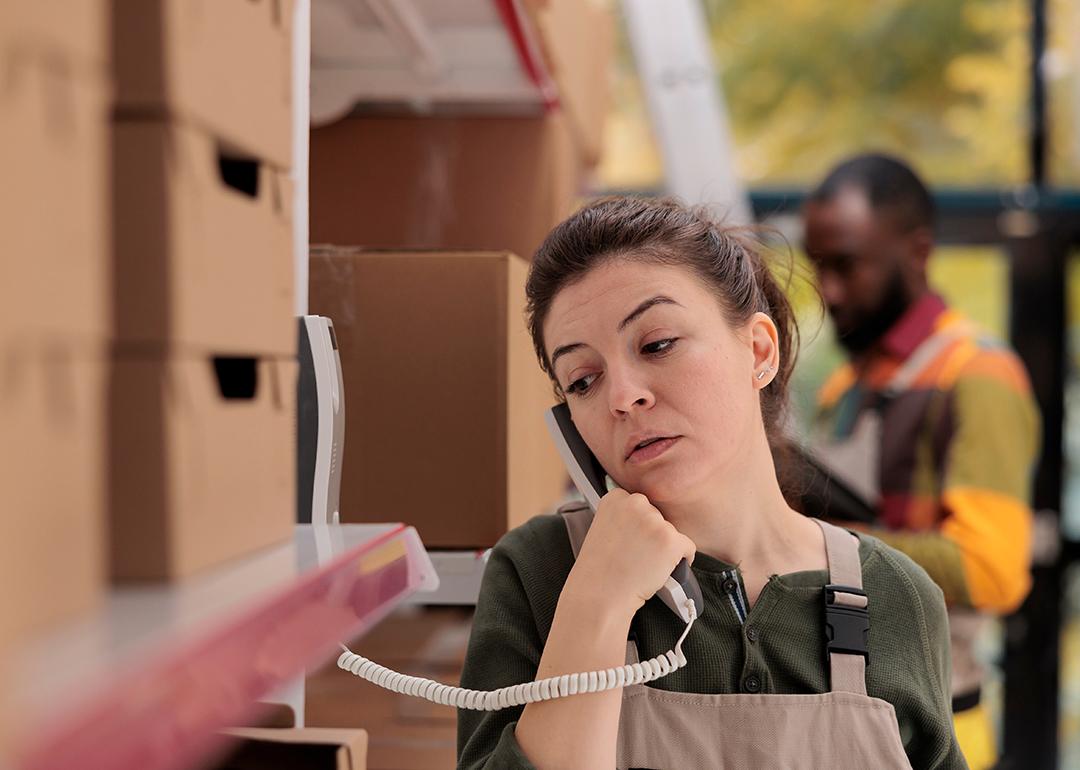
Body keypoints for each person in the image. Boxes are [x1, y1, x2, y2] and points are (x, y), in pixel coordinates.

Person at [457, 195, 965, 768]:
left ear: (758, 350)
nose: (623, 397)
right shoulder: (537, 571)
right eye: (582, 380)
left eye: (657, 345)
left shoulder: (899, 596)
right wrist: (596, 602)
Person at [802, 154, 1040, 769]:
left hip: (942, 727)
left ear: (918, 252)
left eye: (848, 265)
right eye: (818, 266)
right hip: (846, 714)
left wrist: (813, 541)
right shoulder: (843, 388)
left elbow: (991, 571)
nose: (828, 290)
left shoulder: (980, 373)